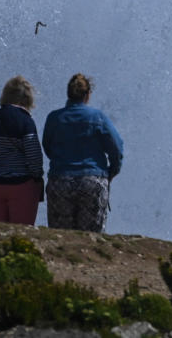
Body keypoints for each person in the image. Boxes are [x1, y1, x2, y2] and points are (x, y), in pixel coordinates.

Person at [42, 73, 124, 231]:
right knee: (91, 239)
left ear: (68, 93)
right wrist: (111, 172)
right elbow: (116, 147)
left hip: (61, 181)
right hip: (92, 181)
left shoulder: (54, 118)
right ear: (87, 95)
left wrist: (62, 161)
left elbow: (47, 146)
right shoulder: (97, 117)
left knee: (62, 237)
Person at [0, 75, 45, 224]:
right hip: (21, 185)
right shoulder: (26, 121)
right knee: (21, 232)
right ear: (26, 98)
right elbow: (34, 157)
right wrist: (36, 176)